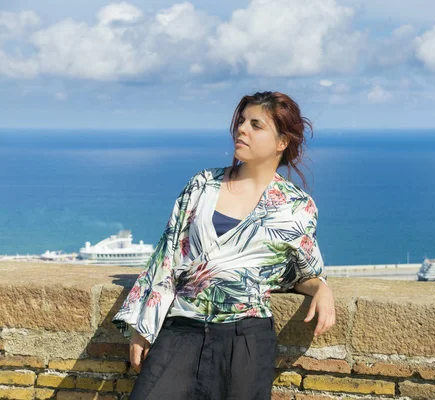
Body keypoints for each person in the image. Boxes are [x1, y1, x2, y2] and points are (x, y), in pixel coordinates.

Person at [111, 91, 335, 399]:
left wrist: (322, 289)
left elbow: (301, 273)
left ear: (282, 142)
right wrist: (144, 327)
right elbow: (167, 258)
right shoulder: (202, 185)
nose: (241, 129)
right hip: (181, 330)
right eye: (241, 121)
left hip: (246, 340)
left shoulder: (297, 207)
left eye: (256, 125)